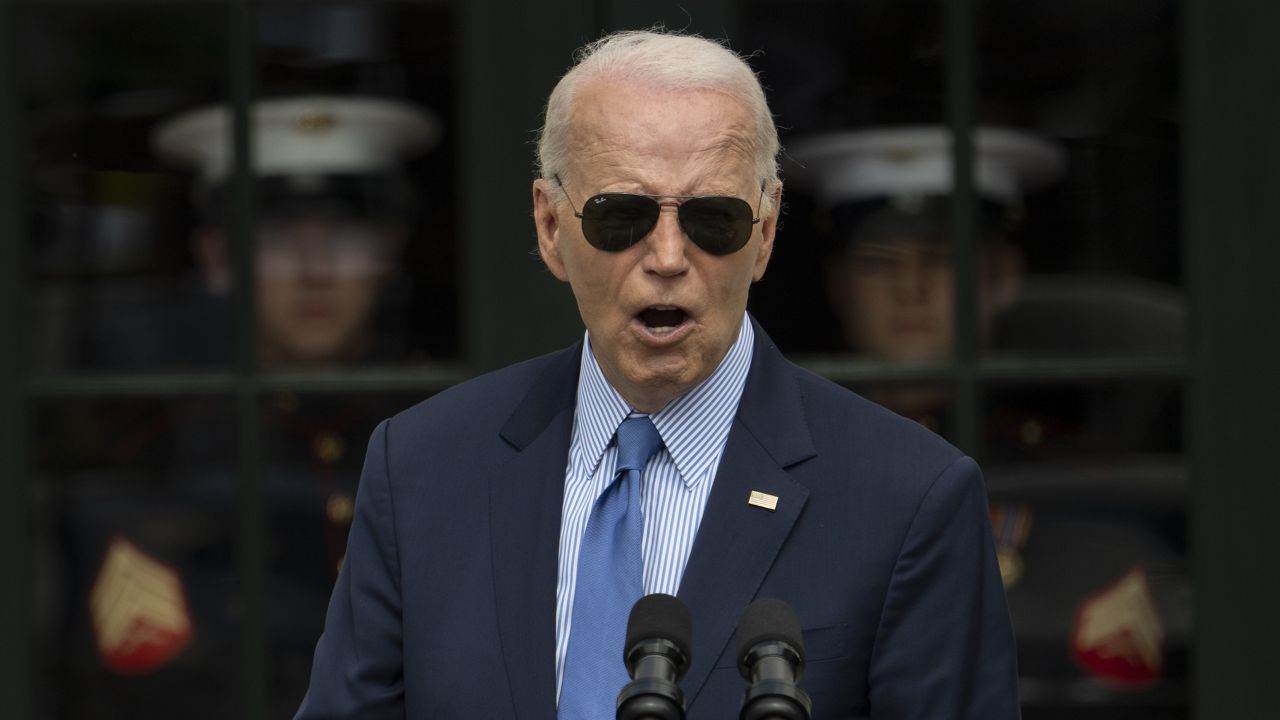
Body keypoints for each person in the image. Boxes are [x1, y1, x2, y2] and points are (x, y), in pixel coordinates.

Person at [297, 30, 1018, 719]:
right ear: (550, 227)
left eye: (714, 218)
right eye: (621, 217)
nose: (668, 255)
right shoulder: (422, 469)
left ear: (765, 234)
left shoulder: (910, 497)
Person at [792, 126, 1064, 424]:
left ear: (1004, 275)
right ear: (837, 283)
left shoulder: (1055, 465)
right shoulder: (779, 447)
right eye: (877, 261)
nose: (910, 289)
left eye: (940, 260)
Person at [152, 95, 438, 367]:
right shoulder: (154, 413)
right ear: (216, 258)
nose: (316, 272)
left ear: (389, 251)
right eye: (278, 240)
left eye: (344, 237)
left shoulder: (444, 412)